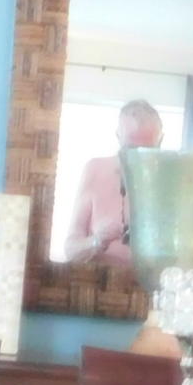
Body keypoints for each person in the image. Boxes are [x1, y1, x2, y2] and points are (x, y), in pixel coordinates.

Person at [59, 99, 159, 267]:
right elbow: (71, 250)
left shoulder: (171, 181)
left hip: (149, 289)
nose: (139, 157)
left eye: (148, 150)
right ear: (118, 137)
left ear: (160, 141)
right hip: (96, 287)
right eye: (131, 149)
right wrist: (98, 241)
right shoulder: (95, 170)